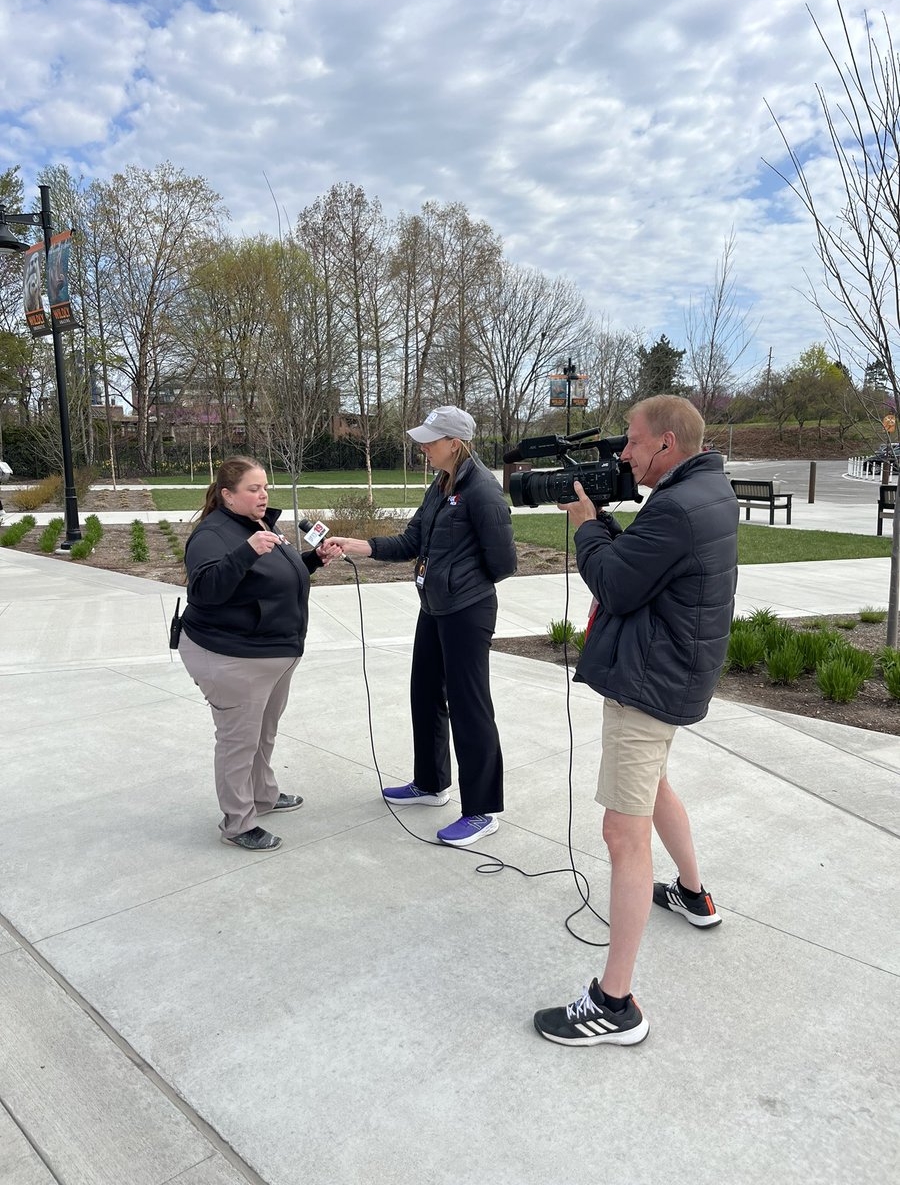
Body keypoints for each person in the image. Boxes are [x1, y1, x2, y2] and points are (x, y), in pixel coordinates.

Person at [533, 395, 738, 1047]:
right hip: (674, 669)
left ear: (666, 446)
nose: (623, 453)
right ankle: (693, 894)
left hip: (648, 683)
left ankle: (614, 1003)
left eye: (631, 441)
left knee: (623, 832)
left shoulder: (676, 506)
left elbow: (617, 586)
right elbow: (651, 570)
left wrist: (588, 525)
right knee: (654, 788)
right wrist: (611, 531)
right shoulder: (708, 489)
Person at [335, 406, 517, 847]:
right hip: (433, 607)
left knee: (470, 707)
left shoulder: (483, 491)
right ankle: (431, 784)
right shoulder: (440, 486)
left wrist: (459, 580)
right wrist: (362, 545)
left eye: (431, 441)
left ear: (454, 443)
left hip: (467, 612)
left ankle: (482, 810)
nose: (423, 447)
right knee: (425, 694)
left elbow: (504, 563)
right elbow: (412, 541)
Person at [179, 457, 341, 852]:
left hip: (273, 651)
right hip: (233, 655)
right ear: (227, 495)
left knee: (262, 732)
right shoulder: (212, 535)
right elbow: (205, 589)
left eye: (265, 486)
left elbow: (271, 579)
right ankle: (237, 822)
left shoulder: (261, 524)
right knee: (238, 740)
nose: (263, 494)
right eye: (253, 489)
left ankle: (263, 795)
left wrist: (313, 561)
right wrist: (246, 552)